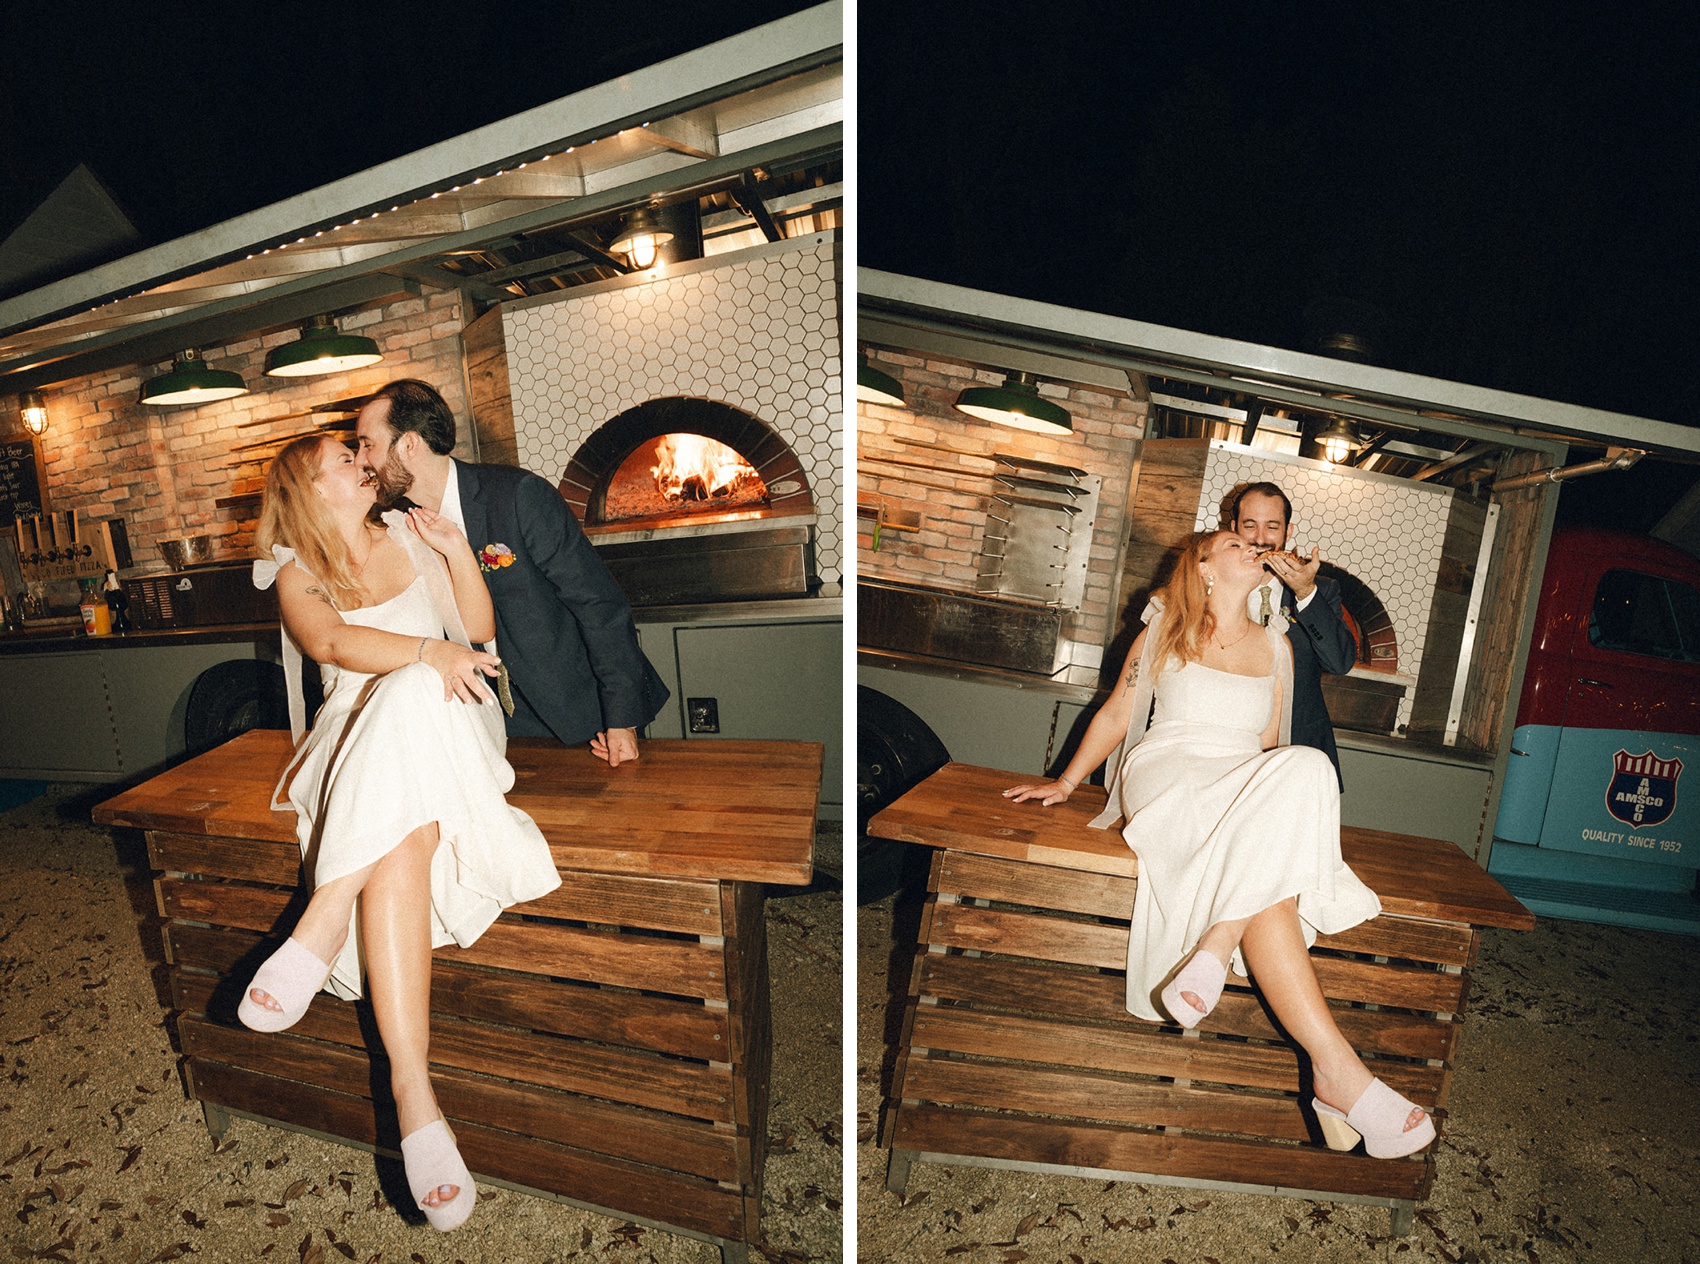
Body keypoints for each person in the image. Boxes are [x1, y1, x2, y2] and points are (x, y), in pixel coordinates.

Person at [1004, 530, 1435, 1159]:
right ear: (1203, 568)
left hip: (1235, 775)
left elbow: (1266, 745)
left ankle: (1232, 958)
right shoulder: (1166, 630)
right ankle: (1342, 1076)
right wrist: (1066, 782)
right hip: (1169, 768)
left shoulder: (1279, 647)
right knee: (1271, 869)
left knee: (1309, 766)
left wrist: (1269, 819)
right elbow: (1120, 712)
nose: (1250, 547)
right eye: (1233, 541)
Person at [240, 434, 562, 1230]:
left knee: (421, 690)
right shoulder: (297, 571)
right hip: (354, 750)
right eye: (343, 460)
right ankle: (414, 1095)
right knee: (402, 828)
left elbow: (478, 632)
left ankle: (322, 918)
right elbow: (333, 645)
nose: (361, 461)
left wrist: (455, 553)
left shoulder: (411, 534)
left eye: (358, 453)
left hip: (456, 724)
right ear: (312, 490)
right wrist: (426, 651)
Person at [354, 380, 667, 766]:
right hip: (479, 722)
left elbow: (598, 604)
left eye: (367, 444)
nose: (359, 460)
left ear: (409, 445)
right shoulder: (396, 524)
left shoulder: (518, 496)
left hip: (583, 716)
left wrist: (622, 719)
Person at [1228, 482, 1358, 787]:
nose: (1260, 539)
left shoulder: (1322, 590)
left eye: (1272, 527)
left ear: (1288, 531)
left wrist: (1305, 592)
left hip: (1298, 752)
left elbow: (1341, 662)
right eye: (1250, 526)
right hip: (1229, 750)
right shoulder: (1216, 584)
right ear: (1233, 528)